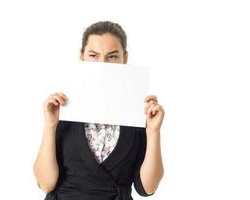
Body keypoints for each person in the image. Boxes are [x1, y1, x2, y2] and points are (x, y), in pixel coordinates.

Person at [33, 21, 165, 200]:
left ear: (124, 58)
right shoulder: (63, 108)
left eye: (112, 56)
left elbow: (147, 188)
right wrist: (50, 126)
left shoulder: (138, 112)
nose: (102, 64)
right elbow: (46, 183)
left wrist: (153, 132)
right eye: (93, 55)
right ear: (82, 57)